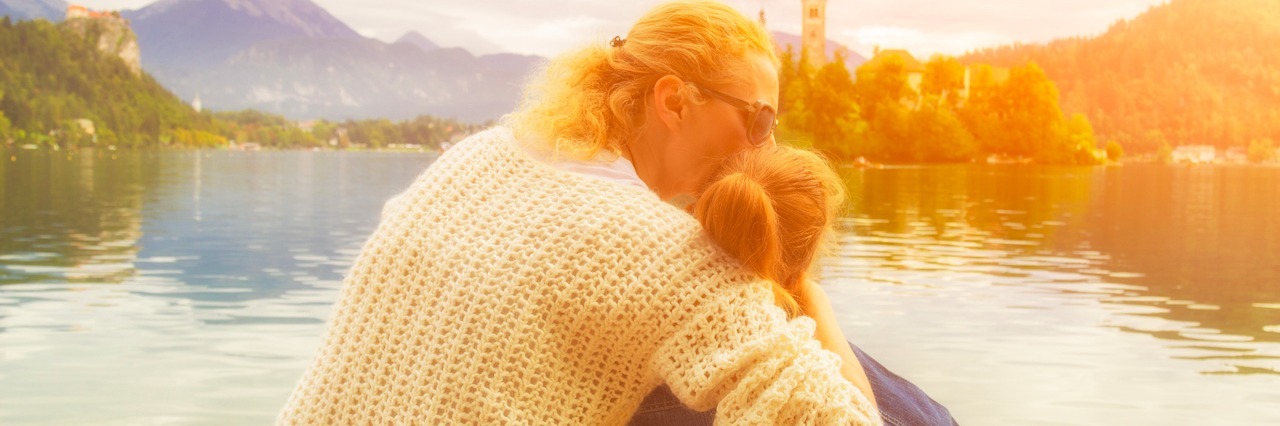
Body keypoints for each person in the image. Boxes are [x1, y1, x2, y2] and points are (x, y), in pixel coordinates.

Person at [277, 1, 881, 424]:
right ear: (673, 101)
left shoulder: (480, 154)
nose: (766, 150)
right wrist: (806, 293)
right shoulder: (668, 257)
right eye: (760, 121)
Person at [627, 147, 960, 426]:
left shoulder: (628, 311)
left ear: (695, 214)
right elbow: (858, 415)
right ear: (800, 265)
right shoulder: (808, 382)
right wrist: (815, 301)